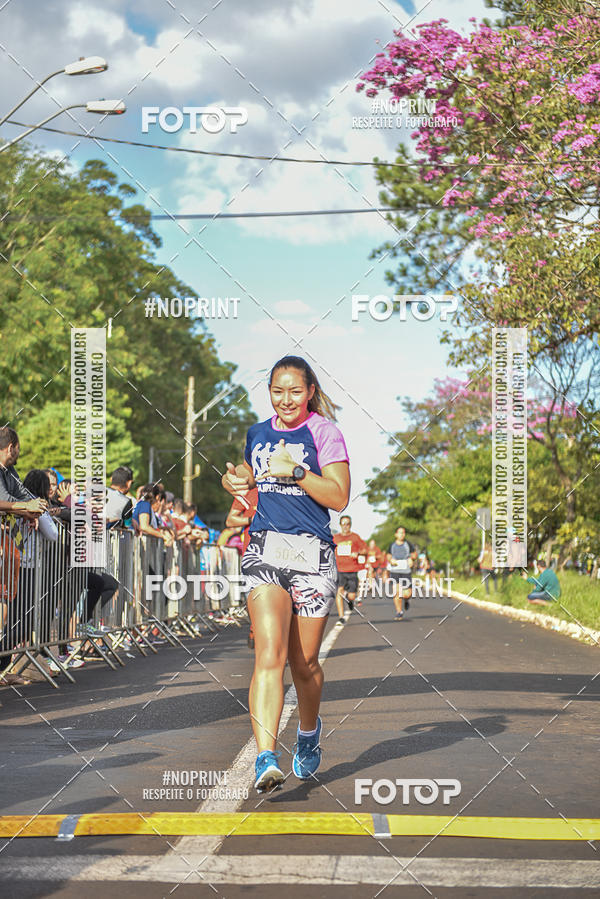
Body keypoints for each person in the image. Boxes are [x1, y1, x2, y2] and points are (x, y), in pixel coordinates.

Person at [222, 355, 350, 793]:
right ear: (269, 391)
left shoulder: (325, 433)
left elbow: (339, 497)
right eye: (278, 391)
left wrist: (296, 471)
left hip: (312, 555)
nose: (286, 399)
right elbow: (252, 483)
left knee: (305, 663)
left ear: (310, 391)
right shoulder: (257, 433)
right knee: (269, 654)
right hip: (265, 552)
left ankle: (309, 732)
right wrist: (237, 482)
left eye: (295, 391)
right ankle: (264, 758)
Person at [332, 515, 367, 626]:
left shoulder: (355, 537)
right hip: (339, 569)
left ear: (350, 525)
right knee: (339, 592)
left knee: (351, 595)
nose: (345, 526)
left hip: (352, 570)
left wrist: (358, 553)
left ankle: (350, 601)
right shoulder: (335, 538)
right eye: (343, 524)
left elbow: (365, 550)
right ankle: (341, 617)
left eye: (347, 524)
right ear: (340, 525)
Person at [387, 525, 415, 620]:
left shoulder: (408, 544)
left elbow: (414, 554)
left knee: (407, 594)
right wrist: (391, 560)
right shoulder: (392, 545)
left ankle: (406, 600)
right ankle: (399, 612)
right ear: (396, 534)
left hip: (406, 572)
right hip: (395, 571)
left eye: (403, 532)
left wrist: (411, 559)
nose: (401, 534)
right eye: (399, 532)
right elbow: (388, 556)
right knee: (396, 592)